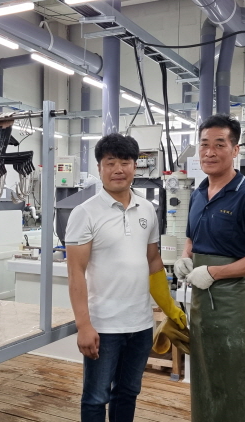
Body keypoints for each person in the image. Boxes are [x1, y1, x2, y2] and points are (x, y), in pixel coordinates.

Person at [66, 133, 186, 422]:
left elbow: (153, 262)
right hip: (104, 326)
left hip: (141, 324)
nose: (118, 169)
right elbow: (75, 273)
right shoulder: (85, 213)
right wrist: (83, 325)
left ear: (135, 166)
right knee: (96, 397)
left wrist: (169, 307)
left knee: (128, 392)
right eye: (110, 163)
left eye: (125, 162)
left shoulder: (147, 209)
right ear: (99, 168)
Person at [174, 114, 245, 422]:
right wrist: (185, 257)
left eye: (220, 144)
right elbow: (191, 238)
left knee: (236, 374)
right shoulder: (198, 193)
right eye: (204, 144)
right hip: (201, 302)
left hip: (231, 303)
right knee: (206, 373)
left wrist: (214, 272)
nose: (210, 152)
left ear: (235, 150)